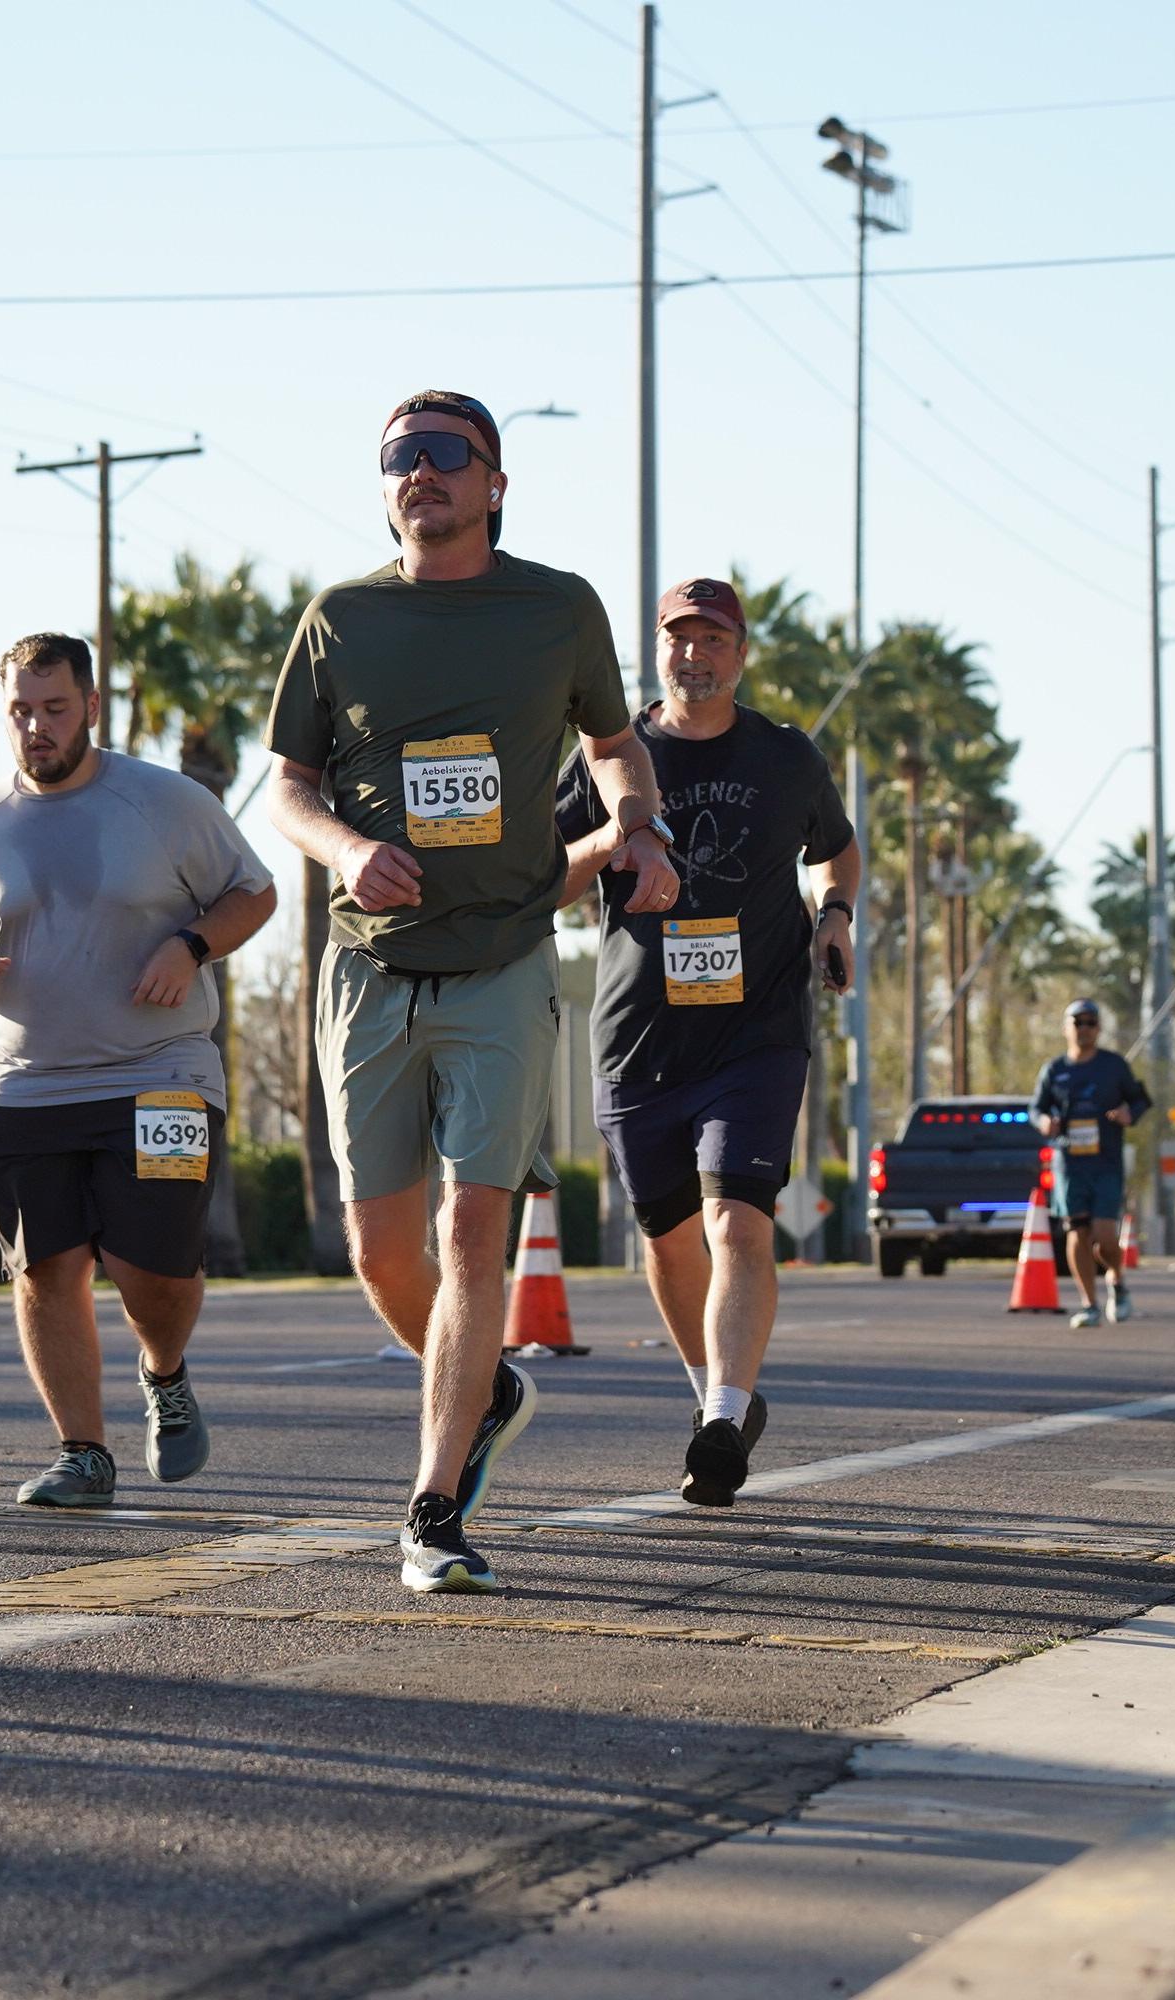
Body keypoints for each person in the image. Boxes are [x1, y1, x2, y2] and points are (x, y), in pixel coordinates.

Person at [267, 391, 676, 1593]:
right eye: (400, 456)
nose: (421, 472)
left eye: (446, 454)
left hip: (502, 958)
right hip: (367, 967)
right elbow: (286, 785)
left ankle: (432, 1505)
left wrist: (636, 824)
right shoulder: (340, 617)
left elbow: (612, 743)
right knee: (379, 1249)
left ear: (495, 483)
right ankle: (487, 1386)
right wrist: (346, 849)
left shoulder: (556, 608)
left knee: (468, 1231)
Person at [0, 633, 276, 1504]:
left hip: (162, 1070)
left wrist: (190, 946)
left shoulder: (164, 801)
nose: (36, 727)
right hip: (22, 1081)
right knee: (46, 1269)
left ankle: (165, 1371)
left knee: (154, 1269)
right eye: (20, 711)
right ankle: (83, 1453)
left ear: (92, 708)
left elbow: (253, 893)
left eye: (55, 708)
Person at [554, 577, 853, 1505]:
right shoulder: (611, 756)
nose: (695, 655)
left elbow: (835, 848)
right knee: (671, 1238)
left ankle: (723, 1416)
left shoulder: (785, 755)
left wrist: (835, 913)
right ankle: (716, 1400)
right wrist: (610, 841)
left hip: (756, 1033)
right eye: (679, 639)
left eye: (714, 639)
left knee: (738, 1221)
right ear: (658, 651)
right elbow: (544, 881)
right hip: (639, 1039)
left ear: (741, 654)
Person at [1032, 999, 1152, 1329]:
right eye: (1078, 1022)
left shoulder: (1113, 1066)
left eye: (1090, 1022)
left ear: (1098, 1029)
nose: (1084, 1028)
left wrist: (1129, 1113)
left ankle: (1117, 1279)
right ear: (1066, 1028)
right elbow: (1035, 1108)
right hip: (1069, 1165)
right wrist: (1044, 1122)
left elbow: (1141, 1099)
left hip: (1106, 1163)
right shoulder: (1054, 1070)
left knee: (1104, 1236)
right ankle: (1089, 1304)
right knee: (1077, 1232)